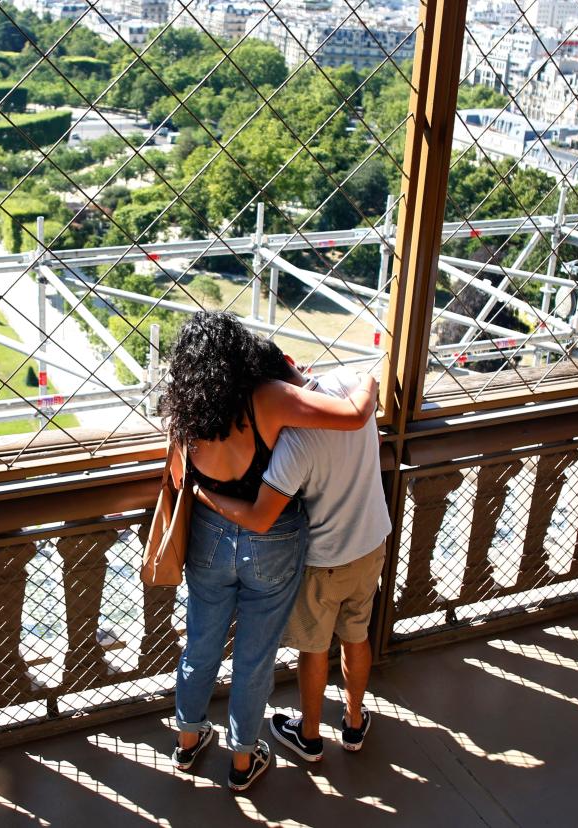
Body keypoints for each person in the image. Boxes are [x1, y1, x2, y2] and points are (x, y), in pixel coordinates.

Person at [162, 312, 378, 792]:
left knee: (200, 643)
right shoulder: (266, 399)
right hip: (272, 538)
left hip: (209, 539)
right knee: (254, 657)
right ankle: (243, 759)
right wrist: (368, 380)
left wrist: (206, 495)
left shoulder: (184, 408)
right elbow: (353, 415)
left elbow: (179, 478)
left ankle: (188, 738)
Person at [193, 361, 390, 764]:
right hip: (372, 540)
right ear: (291, 365)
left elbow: (261, 517)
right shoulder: (351, 385)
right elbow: (372, 378)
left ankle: (310, 736)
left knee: (314, 647)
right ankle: (354, 723)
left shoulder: (295, 442)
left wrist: (205, 497)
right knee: (357, 634)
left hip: (325, 558)